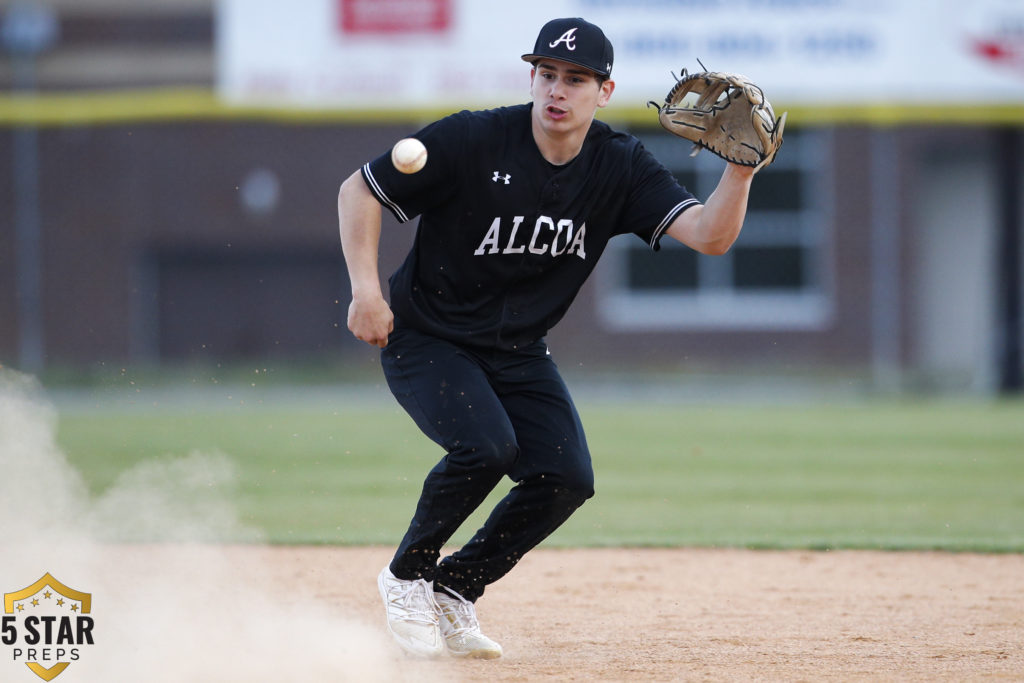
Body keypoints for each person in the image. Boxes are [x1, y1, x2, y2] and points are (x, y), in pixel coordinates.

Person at [337, 17, 756, 659]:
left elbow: (710, 236)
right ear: (532, 78)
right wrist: (367, 291)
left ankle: (455, 588)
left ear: (605, 90)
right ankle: (406, 577)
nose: (558, 90)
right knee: (487, 448)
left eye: (577, 78)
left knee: (565, 476)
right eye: (547, 74)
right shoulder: (473, 138)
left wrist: (739, 174)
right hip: (428, 335)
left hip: (517, 348)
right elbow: (359, 191)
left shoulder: (618, 165)